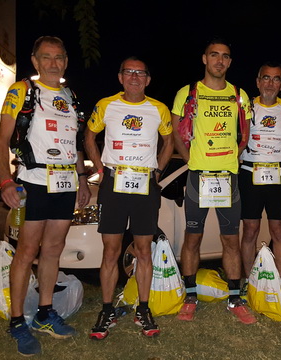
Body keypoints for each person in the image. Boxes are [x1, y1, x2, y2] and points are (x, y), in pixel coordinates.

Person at [0, 35, 90, 356]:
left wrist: (83, 179)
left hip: (65, 182)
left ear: (65, 61)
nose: (54, 63)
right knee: (26, 250)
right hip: (33, 180)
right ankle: (18, 320)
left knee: (53, 249)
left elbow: (75, 143)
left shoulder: (70, 95)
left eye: (59, 57)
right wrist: (6, 181)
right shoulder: (21, 91)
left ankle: (46, 313)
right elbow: (1, 138)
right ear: (35, 61)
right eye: (47, 57)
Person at [85, 56, 173, 339]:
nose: (134, 77)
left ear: (148, 80)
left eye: (140, 73)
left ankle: (143, 309)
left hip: (144, 183)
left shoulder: (159, 109)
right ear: (120, 77)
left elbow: (169, 141)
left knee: (144, 250)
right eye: (129, 72)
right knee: (110, 250)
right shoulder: (106, 105)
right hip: (114, 182)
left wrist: (158, 170)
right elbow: (89, 137)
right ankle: (107, 309)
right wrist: (100, 170)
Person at [171, 37, 256, 324]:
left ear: (229, 62)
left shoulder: (239, 94)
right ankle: (190, 295)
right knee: (192, 238)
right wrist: (190, 160)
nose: (220, 61)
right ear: (205, 59)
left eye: (225, 56)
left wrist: (232, 155)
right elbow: (174, 130)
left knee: (231, 239)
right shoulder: (188, 92)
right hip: (198, 176)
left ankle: (235, 298)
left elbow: (244, 133)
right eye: (214, 55)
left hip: (228, 177)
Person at [239, 62, 281, 291]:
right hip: (249, 175)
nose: (270, 83)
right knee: (250, 229)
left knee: (278, 231)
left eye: (276, 79)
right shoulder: (246, 107)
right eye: (266, 78)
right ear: (257, 82)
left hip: (279, 175)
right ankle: (248, 280)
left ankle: (279, 281)